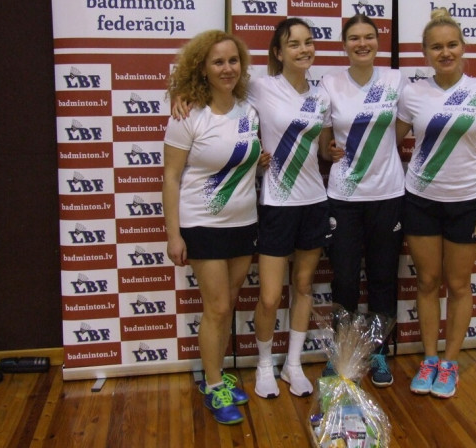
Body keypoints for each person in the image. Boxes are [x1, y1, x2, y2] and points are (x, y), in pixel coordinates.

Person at [172, 18, 331, 400]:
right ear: (278, 52)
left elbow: (322, 146)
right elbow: (213, 83)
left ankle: (292, 365)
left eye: (309, 42)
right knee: (269, 296)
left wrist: (331, 153)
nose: (303, 49)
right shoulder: (260, 87)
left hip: (311, 202)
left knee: (304, 287)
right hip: (273, 205)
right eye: (293, 44)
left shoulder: (323, 94)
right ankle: (262, 365)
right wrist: (181, 93)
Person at [395, 8, 476, 399]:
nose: (445, 52)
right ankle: (428, 358)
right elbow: (388, 141)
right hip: (420, 200)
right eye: (437, 47)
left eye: (452, 45)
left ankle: (450, 363)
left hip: (467, 201)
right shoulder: (413, 93)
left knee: (458, 284)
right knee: (427, 281)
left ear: (463, 48)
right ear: (425, 54)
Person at [162, 30, 261, 425]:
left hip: (243, 222)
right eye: (218, 62)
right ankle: (213, 382)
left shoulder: (248, 111)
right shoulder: (187, 115)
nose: (227, 69)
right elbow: (170, 177)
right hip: (202, 224)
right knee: (217, 308)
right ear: (202, 68)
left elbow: (243, 160)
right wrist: (174, 234)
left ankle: (215, 375)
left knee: (228, 304)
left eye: (233, 61)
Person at [318, 14, 405, 387]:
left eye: (369, 36)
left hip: (388, 194)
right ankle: (343, 354)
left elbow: (401, 130)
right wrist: (331, 150)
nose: (362, 43)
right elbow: (324, 143)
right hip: (344, 197)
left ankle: (379, 353)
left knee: (384, 277)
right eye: (354, 38)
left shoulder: (395, 80)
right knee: (346, 280)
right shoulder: (329, 83)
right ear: (344, 44)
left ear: (377, 41)